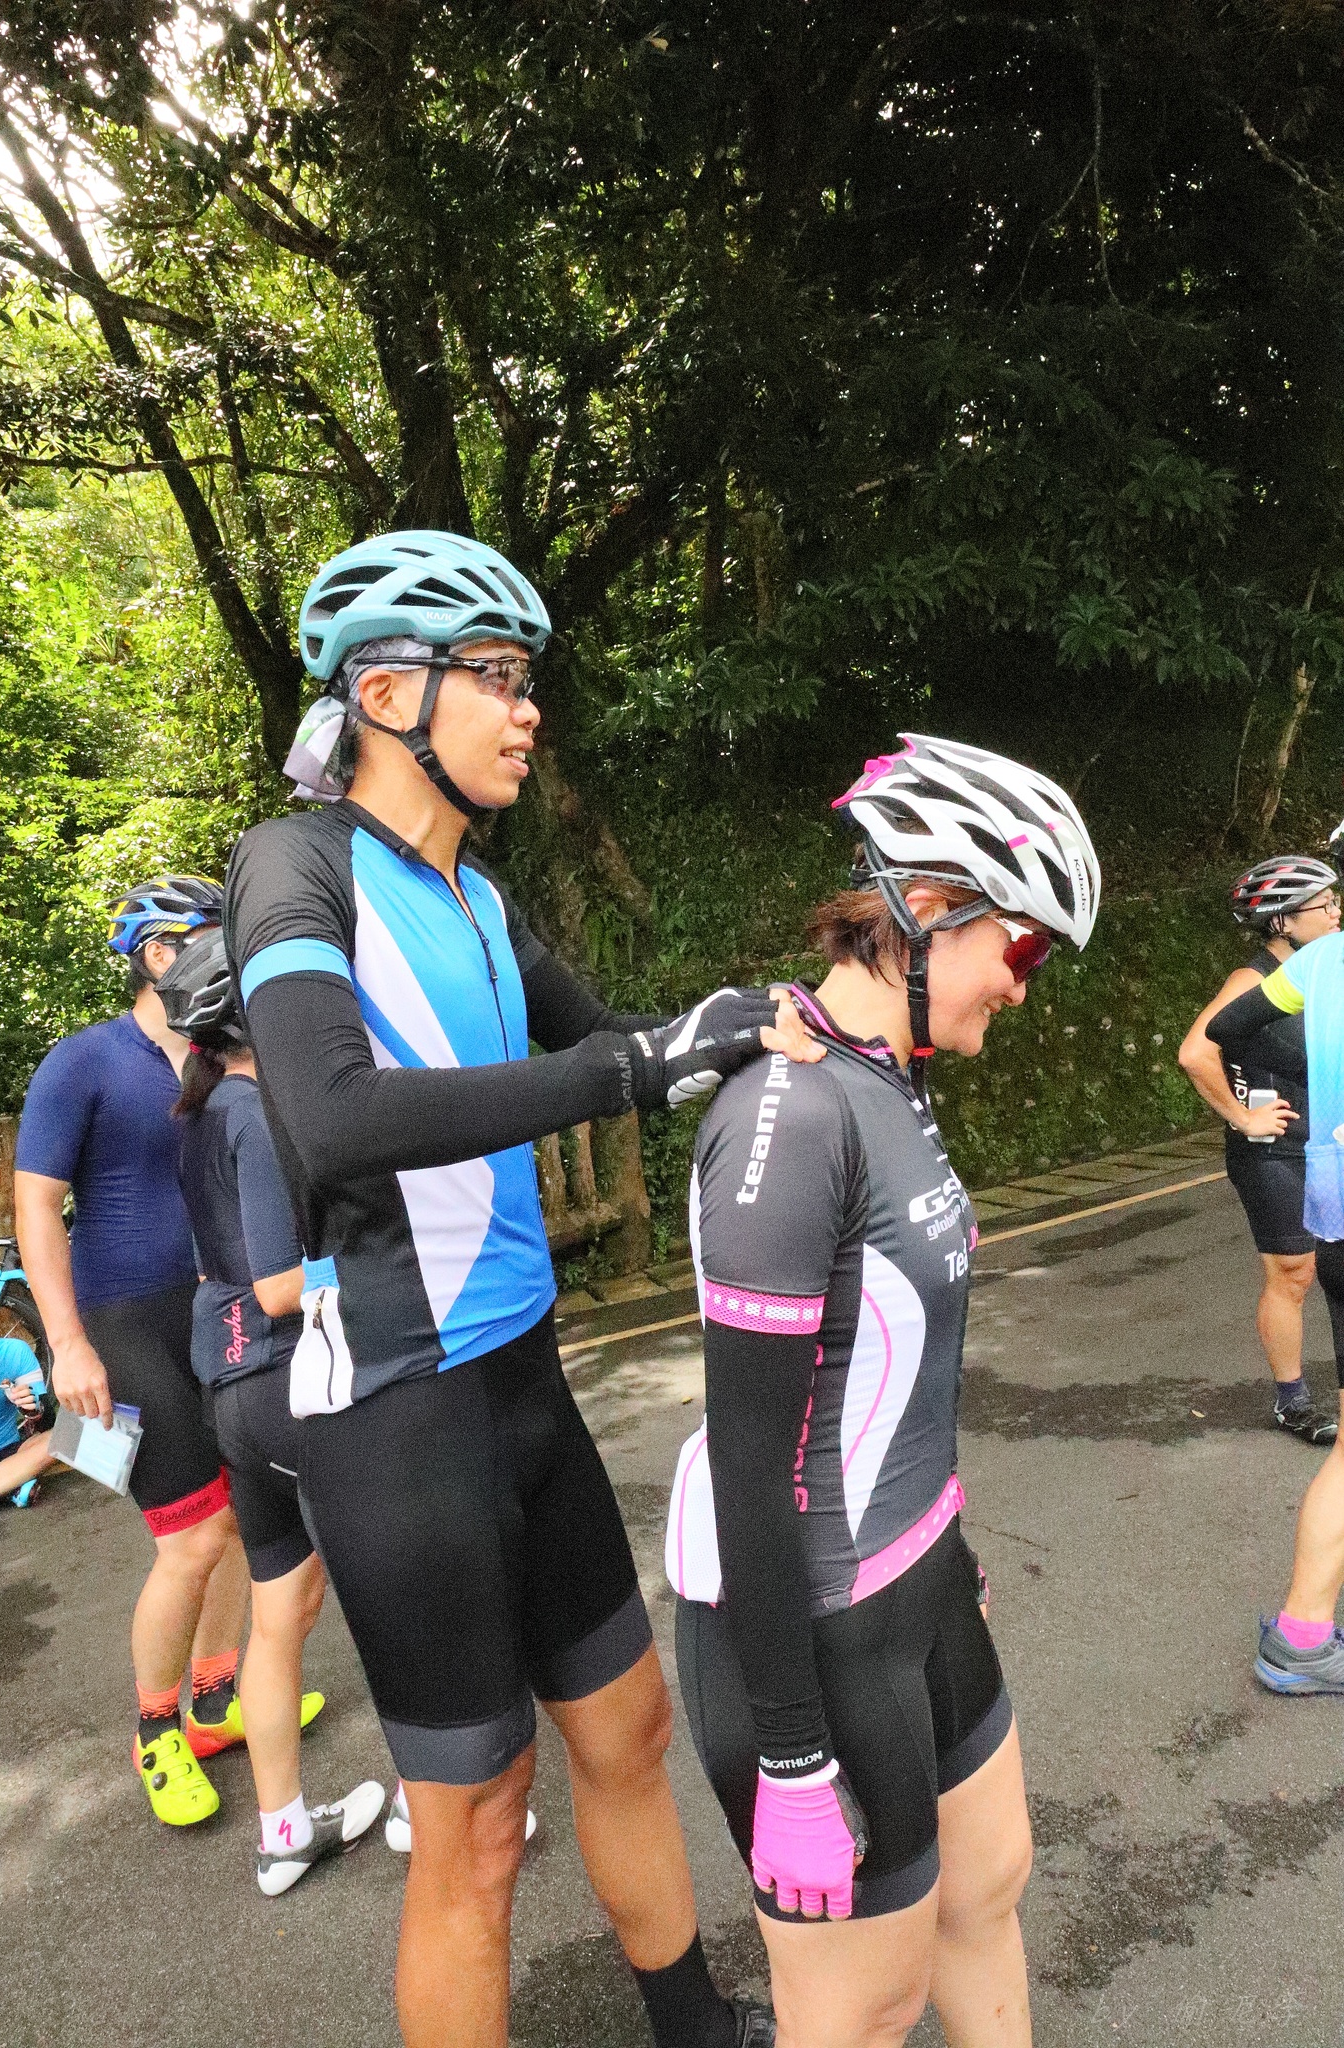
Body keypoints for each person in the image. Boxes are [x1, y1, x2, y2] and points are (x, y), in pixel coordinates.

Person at [224, 530, 817, 2048]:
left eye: (526, 677)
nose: (526, 707)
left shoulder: (479, 895)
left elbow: (620, 1040)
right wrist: (632, 1065)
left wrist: (762, 1024)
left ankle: (693, 2025)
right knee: (478, 1825)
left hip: (526, 1383)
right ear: (383, 691)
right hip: (396, 1415)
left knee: (629, 1728)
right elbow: (330, 1116)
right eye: (493, 674)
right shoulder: (295, 866)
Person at [665, 735, 1101, 2048]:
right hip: (811, 1633)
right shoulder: (792, 1116)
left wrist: (949, 1546)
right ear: (925, 906)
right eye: (1021, 949)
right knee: (860, 2010)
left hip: (922, 1582)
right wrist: (792, 1756)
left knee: (990, 1883)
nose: (1022, 985)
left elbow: (902, 1371)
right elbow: (749, 1464)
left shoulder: (888, 1077)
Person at [14, 875, 251, 1827]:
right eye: (210, 937)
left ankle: (214, 1704)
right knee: (190, 1536)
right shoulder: (84, 1061)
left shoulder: (222, 1053)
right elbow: (37, 1205)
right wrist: (67, 1344)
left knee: (238, 1518)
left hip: (217, 1308)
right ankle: (155, 1731)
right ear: (158, 953)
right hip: (121, 1322)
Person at [158, 926, 381, 1892]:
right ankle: (440, 1804)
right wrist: (377, 1260)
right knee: (393, 1589)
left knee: (282, 1607)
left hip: (232, 1386)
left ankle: (283, 1831)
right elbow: (282, 1285)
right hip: (289, 1378)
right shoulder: (250, 1114)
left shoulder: (199, 1111)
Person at [1206, 907, 1344, 1695]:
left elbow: (1225, 1029)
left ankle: (1301, 1634)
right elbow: (1211, 1036)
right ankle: (1300, 1636)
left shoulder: (1317, 964)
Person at [1178, 857, 1341, 1443]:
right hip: (1274, 1151)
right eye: (1325, 905)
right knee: (1294, 1272)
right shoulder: (1252, 981)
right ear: (1282, 922)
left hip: (1324, 1143)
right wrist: (1242, 1116)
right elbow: (1196, 1052)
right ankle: (1292, 1402)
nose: (1337, 912)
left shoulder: (1321, 970)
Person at [0, 1329, 55, 1512]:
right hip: (9, 1469)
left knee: (66, 1436)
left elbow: (48, 1425)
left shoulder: (14, 1354)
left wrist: (32, 1409)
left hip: (5, 1455)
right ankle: (7, 1487)